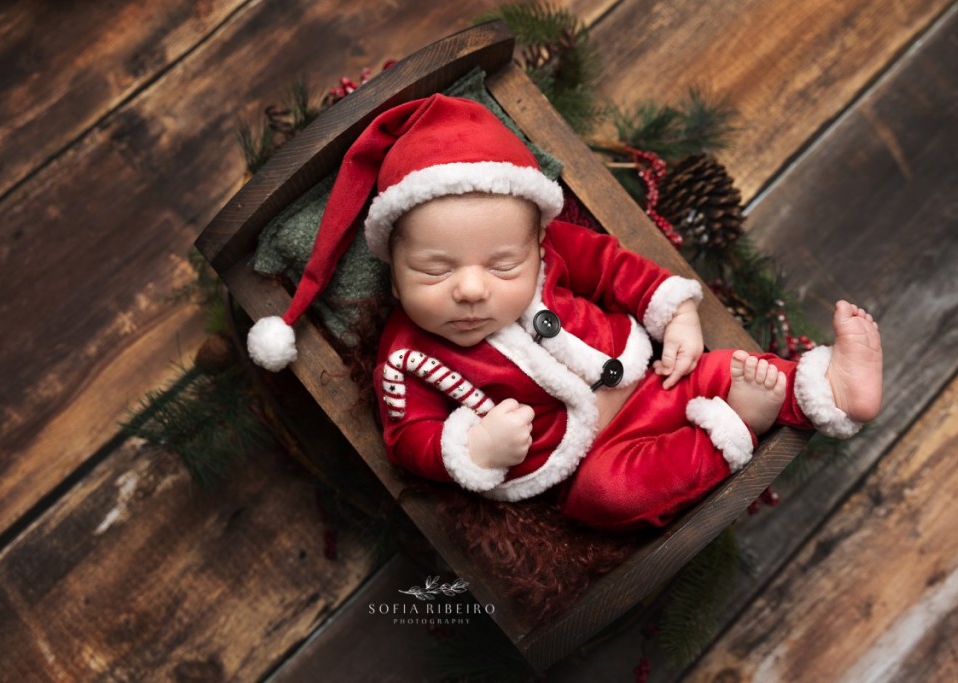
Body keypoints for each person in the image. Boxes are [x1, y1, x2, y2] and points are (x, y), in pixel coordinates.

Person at [247, 94, 882, 531]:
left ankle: (826, 388)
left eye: (502, 267)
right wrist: (473, 445)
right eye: (434, 270)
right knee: (601, 500)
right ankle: (735, 431)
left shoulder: (556, 253)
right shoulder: (405, 351)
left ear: (534, 246)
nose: (471, 290)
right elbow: (406, 436)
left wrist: (677, 315)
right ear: (392, 264)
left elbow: (617, 268)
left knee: (723, 367)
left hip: (651, 379)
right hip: (584, 456)